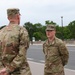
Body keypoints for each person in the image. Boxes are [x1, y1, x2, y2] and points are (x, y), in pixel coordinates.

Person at [0, 8, 32, 75]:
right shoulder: (22, 31)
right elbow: (22, 54)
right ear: (18, 16)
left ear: (8, 18)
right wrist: (9, 69)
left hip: (3, 71)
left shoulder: (1, 32)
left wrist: (2, 69)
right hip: (20, 71)